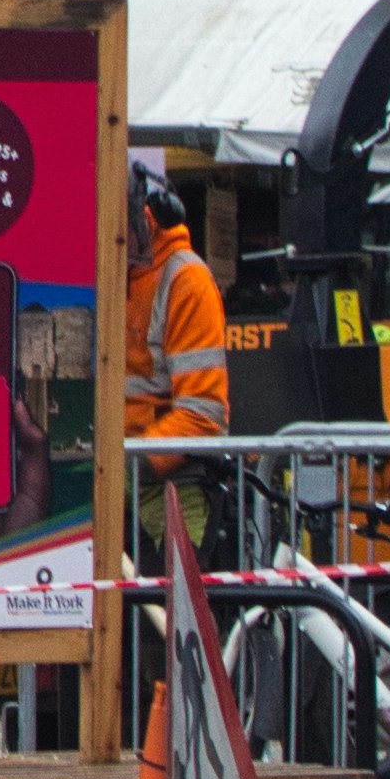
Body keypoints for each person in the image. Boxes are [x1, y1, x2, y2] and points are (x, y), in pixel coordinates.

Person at [122, 147, 230, 555]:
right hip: (122, 481)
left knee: (180, 613)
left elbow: (202, 415)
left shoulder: (187, 280)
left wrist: (127, 465)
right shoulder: (114, 275)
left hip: (172, 485)